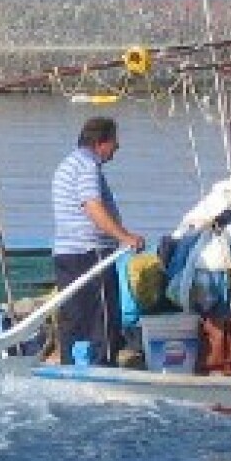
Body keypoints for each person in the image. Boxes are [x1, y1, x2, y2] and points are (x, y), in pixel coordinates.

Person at [51, 116, 144, 366]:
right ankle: (100, 365)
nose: (117, 147)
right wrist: (125, 237)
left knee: (73, 317)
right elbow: (93, 207)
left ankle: (70, 364)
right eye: (114, 140)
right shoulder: (86, 166)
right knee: (102, 320)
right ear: (100, 142)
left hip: (67, 254)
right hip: (90, 255)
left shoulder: (68, 164)